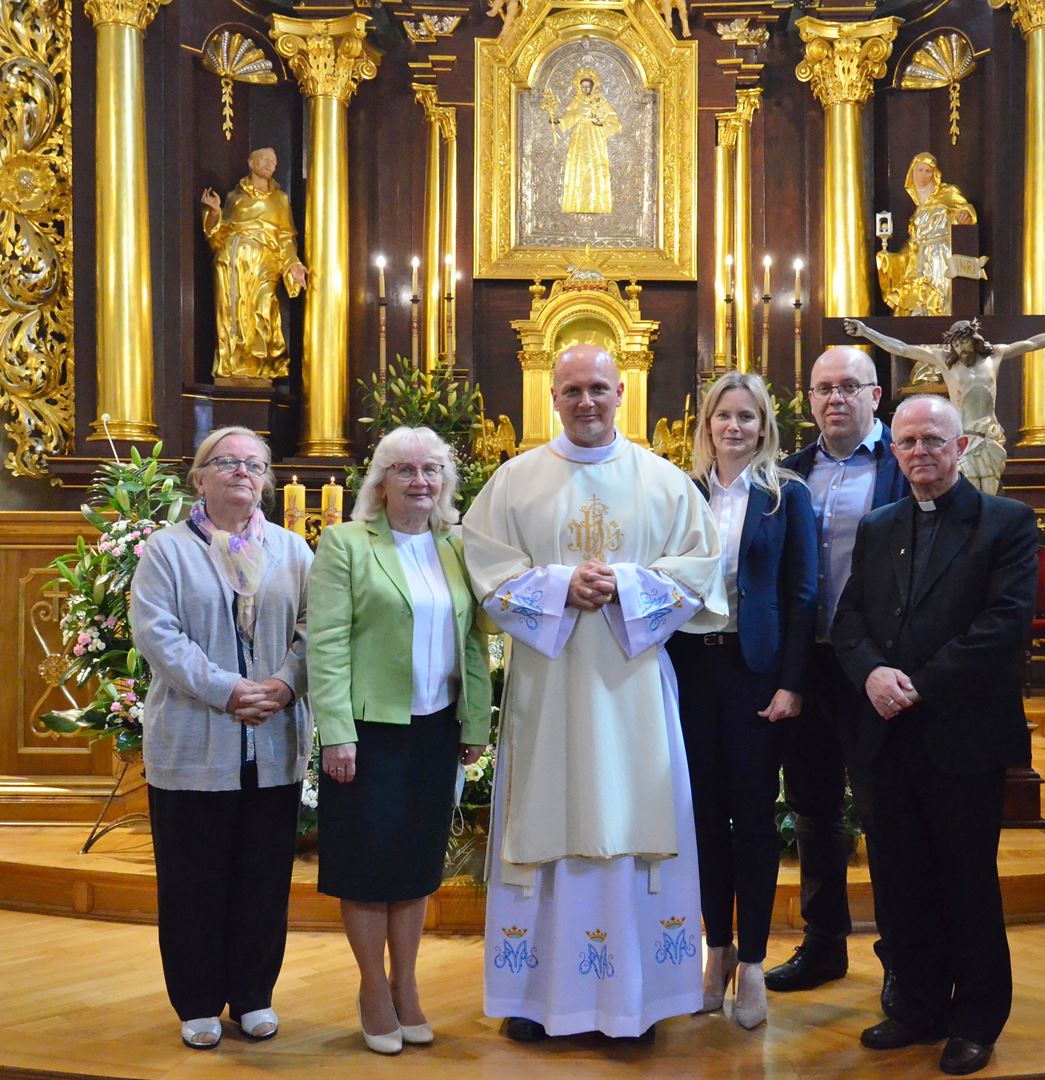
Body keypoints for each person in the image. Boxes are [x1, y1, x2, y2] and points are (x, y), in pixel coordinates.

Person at [462, 344, 726, 1041]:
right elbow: (484, 571)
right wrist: (557, 586)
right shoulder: (514, 482)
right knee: (543, 820)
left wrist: (625, 587)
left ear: (620, 395)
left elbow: (700, 568)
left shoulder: (663, 482)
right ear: (553, 395)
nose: (586, 401)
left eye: (598, 389)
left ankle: (635, 1001)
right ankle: (537, 998)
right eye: (573, 389)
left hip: (631, 686)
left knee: (632, 819)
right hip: (547, 693)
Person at [830, 394, 1037, 1076]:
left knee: (966, 881)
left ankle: (975, 1018)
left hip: (961, 736)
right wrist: (870, 674)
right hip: (885, 736)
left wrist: (914, 683)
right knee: (899, 880)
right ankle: (915, 1008)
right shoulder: (878, 524)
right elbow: (849, 618)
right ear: (894, 451)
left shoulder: (1004, 523)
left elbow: (1002, 625)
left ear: (962, 447)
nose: (919, 452)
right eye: (908, 441)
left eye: (932, 441)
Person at [306, 426, 493, 1056]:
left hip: (435, 728)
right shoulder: (346, 545)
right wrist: (336, 733)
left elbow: (472, 641)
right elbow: (327, 645)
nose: (419, 481)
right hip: (367, 732)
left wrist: (474, 724)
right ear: (380, 482)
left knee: (414, 867)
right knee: (366, 866)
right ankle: (371, 989)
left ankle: (406, 984)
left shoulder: (455, 548)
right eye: (405, 469)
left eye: (431, 470)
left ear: (444, 483)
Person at [129, 426, 313, 1050]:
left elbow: (318, 629)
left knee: (264, 876)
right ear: (199, 477)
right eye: (226, 462)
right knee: (193, 877)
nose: (242, 472)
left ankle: (255, 994)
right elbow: (159, 635)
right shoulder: (166, 552)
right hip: (194, 742)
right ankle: (199, 1000)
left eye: (254, 464)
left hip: (275, 741)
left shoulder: (294, 551)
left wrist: (286, 684)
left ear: (266, 478)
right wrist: (228, 689)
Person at [670, 372, 817, 1029]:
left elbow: (802, 594)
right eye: (722, 415)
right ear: (706, 425)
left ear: (764, 427)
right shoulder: (679, 495)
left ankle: (753, 960)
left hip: (756, 674)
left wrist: (791, 683)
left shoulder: (786, 496)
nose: (733, 426)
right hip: (691, 671)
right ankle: (717, 951)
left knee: (754, 822)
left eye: (746, 417)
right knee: (704, 819)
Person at [765, 346, 907, 998]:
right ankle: (822, 946)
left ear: (874, 395)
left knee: (886, 815)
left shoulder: (901, 466)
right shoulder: (790, 472)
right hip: (807, 666)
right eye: (823, 388)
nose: (834, 400)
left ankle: (904, 961)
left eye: (848, 387)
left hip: (876, 668)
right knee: (813, 811)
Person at [843, 314, 1045, 494]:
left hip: (989, 437)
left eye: (964, 342)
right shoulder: (944, 361)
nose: (961, 348)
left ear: (974, 339)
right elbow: (901, 348)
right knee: (968, 493)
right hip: (961, 439)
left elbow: (1034, 342)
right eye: (956, 343)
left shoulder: (995, 355)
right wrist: (866, 332)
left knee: (990, 493)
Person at [201, 147, 308, 379]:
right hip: (233, 261)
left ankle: (261, 368)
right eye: (266, 160)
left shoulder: (279, 199)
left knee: (264, 306)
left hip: (265, 261)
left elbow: (286, 238)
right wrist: (215, 213)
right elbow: (217, 239)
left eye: (274, 162)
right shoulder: (234, 198)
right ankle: (234, 368)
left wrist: (293, 265)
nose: (271, 165)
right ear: (251, 162)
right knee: (233, 315)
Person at [876, 152, 978, 320]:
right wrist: (891, 259)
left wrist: (965, 215)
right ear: (912, 173)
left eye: (928, 171)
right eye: (919, 170)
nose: (923, 176)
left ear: (934, 174)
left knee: (939, 299)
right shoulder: (918, 210)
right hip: (919, 261)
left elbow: (965, 209)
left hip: (940, 255)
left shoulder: (947, 192)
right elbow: (912, 246)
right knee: (918, 303)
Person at [553, 69, 621, 214]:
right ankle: (575, 204)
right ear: (579, 86)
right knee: (578, 166)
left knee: (596, 166)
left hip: (595, 137)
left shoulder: (600, 101)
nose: (585, 89)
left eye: (588, 86)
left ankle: (598, 204)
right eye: (582, 86)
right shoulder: (576, 101)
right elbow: (570, 116)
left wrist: (601, 123)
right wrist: (558, 120)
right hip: (579, 137)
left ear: (593, 86)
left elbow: (614, 121)